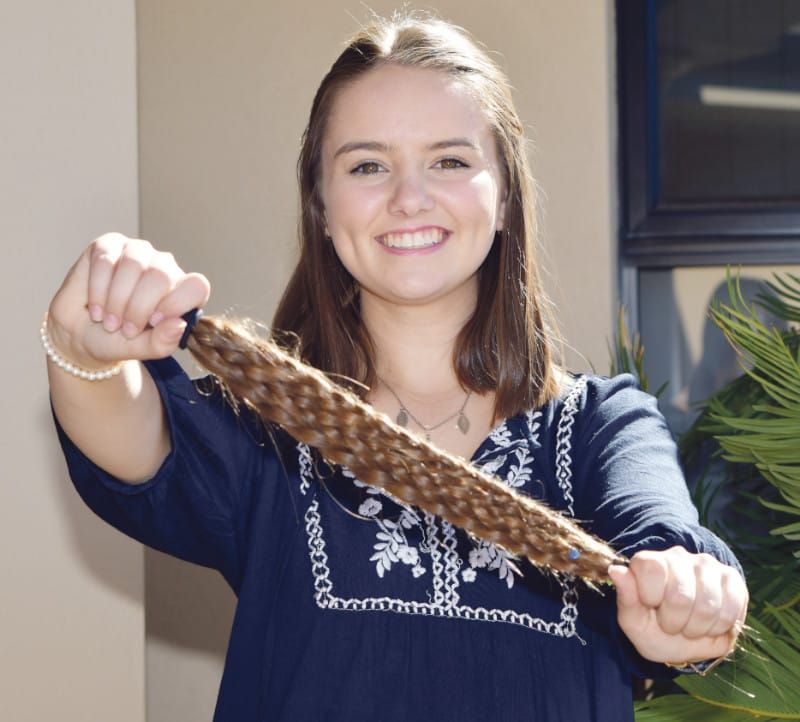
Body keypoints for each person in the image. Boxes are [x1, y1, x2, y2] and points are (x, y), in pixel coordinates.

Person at [45, 12, 747, 722]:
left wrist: (693, 598)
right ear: (320, 204)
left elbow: (663, 538)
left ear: (503, 194)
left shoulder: (602, 428)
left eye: (449, 160)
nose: (410, 198)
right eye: (368, 165)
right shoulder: (264, 429)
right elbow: (127, 433)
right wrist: (83, 346)